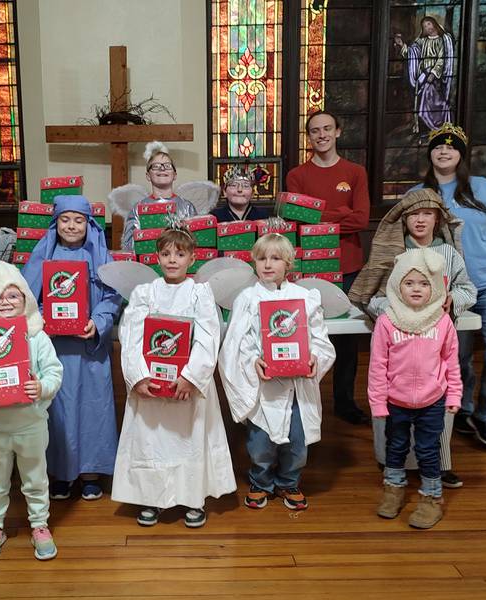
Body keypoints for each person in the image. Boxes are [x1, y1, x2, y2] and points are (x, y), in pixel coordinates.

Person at [349, 187, 476, 488]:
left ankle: (438, 466)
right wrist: (397, 310)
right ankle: (391, 464)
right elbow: (370, 296)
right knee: (393, 405)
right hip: (398, 341)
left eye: (427, 213)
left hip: (436, 340)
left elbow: (468, 289)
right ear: (403, 219)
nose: (420, 220)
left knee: (437, 402)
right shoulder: (393, 252)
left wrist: (453, 299)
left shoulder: (449, 254)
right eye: (414, 214)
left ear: (437, 218)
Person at [415, 123, 486, 452]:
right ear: (430, 153)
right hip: (450, 290)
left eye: (451, 147)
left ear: (461, 155)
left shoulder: (482, 187)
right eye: (438, 146)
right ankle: (462, 408)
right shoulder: (419, 194)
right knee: (457, 355)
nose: (444, 151)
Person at [113, 228, 236, 527]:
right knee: (151, 441)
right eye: (166, 254)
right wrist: (139, 377)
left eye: (180, 254)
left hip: (186, 385)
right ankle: (151, 498)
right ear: (157, 257)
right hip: (152, 385)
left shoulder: (200, 293)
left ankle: (193, 498)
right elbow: (131, 336)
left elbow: (208, 336)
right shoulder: (145, 293)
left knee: (189, 441)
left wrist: (192, 377)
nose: (172, 260)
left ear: (192, 258)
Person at [219, 234, 335, 510]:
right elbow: (236, 343)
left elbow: (320, 340)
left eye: (275, 258)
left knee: (297, 441)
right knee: (260, 443)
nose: (268, 264)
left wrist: (314, 359)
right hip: (264, 386)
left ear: (289, 263)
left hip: (297, 386)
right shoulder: (248, 299)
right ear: (254, 262)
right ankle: (260, 482)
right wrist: (253, 361)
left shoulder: (304, 298)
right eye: (262, 258)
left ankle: (288, 481)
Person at [0, 262, 63, 561]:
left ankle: (40, 524)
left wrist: (41, 387)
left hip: (31, 424)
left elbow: (54, 372)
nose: (6, 302)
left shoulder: (37, 337)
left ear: (25, 299)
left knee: (35, 478)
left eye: (13, 295)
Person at [22, 196, 121, 500]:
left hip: (89, 347)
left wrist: (98, 322)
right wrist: (43, 317)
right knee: (58, 409)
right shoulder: (43, 255)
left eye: (79, 220)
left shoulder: (101, 256)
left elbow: (113, 296)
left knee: (93, 408)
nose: (72, 226)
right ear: (56, 223)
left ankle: (91, 473)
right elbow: (26, 297)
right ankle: (61, 473)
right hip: (54, 349)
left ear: (89, 224)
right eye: (65, 219)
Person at [285, 110, 371, 424]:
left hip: (348, 266)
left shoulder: (355, 172)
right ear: (309, 136)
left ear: (338, 132)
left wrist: (317, 216)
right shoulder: (297, 175)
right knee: (308, 336)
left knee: (347, 340)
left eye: (327, 129)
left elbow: (361, 219)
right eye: (314, 130)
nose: (321, 135)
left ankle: (345, 402)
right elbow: (296, 220)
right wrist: (340, 214)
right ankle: (306, 403)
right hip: (309, 267)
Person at [368, 248, 461, 529]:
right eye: (409, 283)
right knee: (395, 447)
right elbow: (377, 366)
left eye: (423, 283)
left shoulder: (442, 322)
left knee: (428, 449)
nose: (416, 289)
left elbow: (451, 362)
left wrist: (454, 394)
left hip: (433, 401)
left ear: (434, 288)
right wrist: (378, 402)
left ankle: (432, 497)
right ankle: (393, 489)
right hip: (396, 400)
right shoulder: (386, 322)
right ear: (397, 285)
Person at [120, 141, 198, 250]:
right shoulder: (138, 209)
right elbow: (128, 246)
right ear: (148, 175)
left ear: (174, 175)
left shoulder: (187, 207)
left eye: (167, 166)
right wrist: (149, 234)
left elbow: (197, 242)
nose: (162, 169)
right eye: (156, 166)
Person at [394, 16, 455, 134]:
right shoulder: (422, 41)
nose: (427, 27)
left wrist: (433, 73)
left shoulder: (442, 40)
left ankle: (437, 125)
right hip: (423, 75)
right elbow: (412, 53)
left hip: (435, 76)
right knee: (422, 100)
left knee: (433, 101)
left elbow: (442, 59)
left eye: (429, 24)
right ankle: (425, 129)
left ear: (434, 24)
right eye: (425, 26)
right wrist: (402, 45)